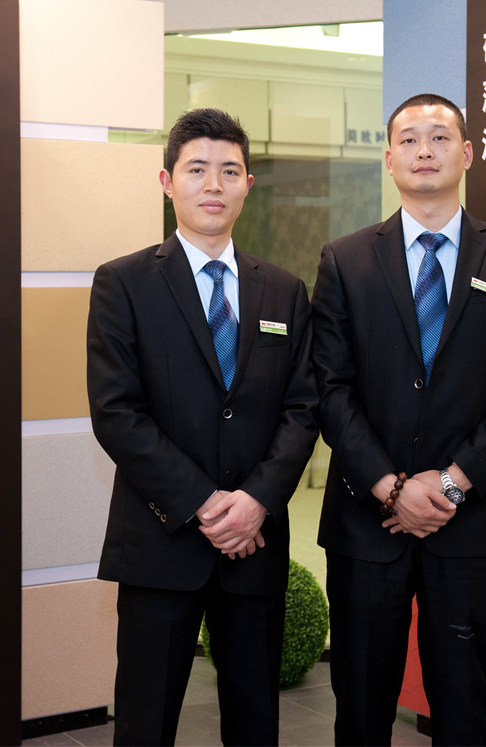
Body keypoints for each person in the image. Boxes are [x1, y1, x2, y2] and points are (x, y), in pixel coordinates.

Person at [311, 93, 486, 745]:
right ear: (389, 159)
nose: (425, 150)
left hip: (470, 525)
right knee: (361, 708)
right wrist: (391, 486)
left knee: (466, 707)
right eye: (410, 139)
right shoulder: (345, 261)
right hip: (367, 525)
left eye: (440, 138)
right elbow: (329, 388)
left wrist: (450, 482)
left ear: (467, 154)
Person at [87, 107, 319, 746]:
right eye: (197, 170)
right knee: (146, 722)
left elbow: (304, 408)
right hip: (161, 541)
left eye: (229, 171)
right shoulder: (123, 284)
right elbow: (116, 412)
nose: (213, 184)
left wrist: (256, 502)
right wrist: (206, 504)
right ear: (167, 182)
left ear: (248, 185)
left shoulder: (284, 291)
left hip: (255, 541)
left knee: (255, 724)